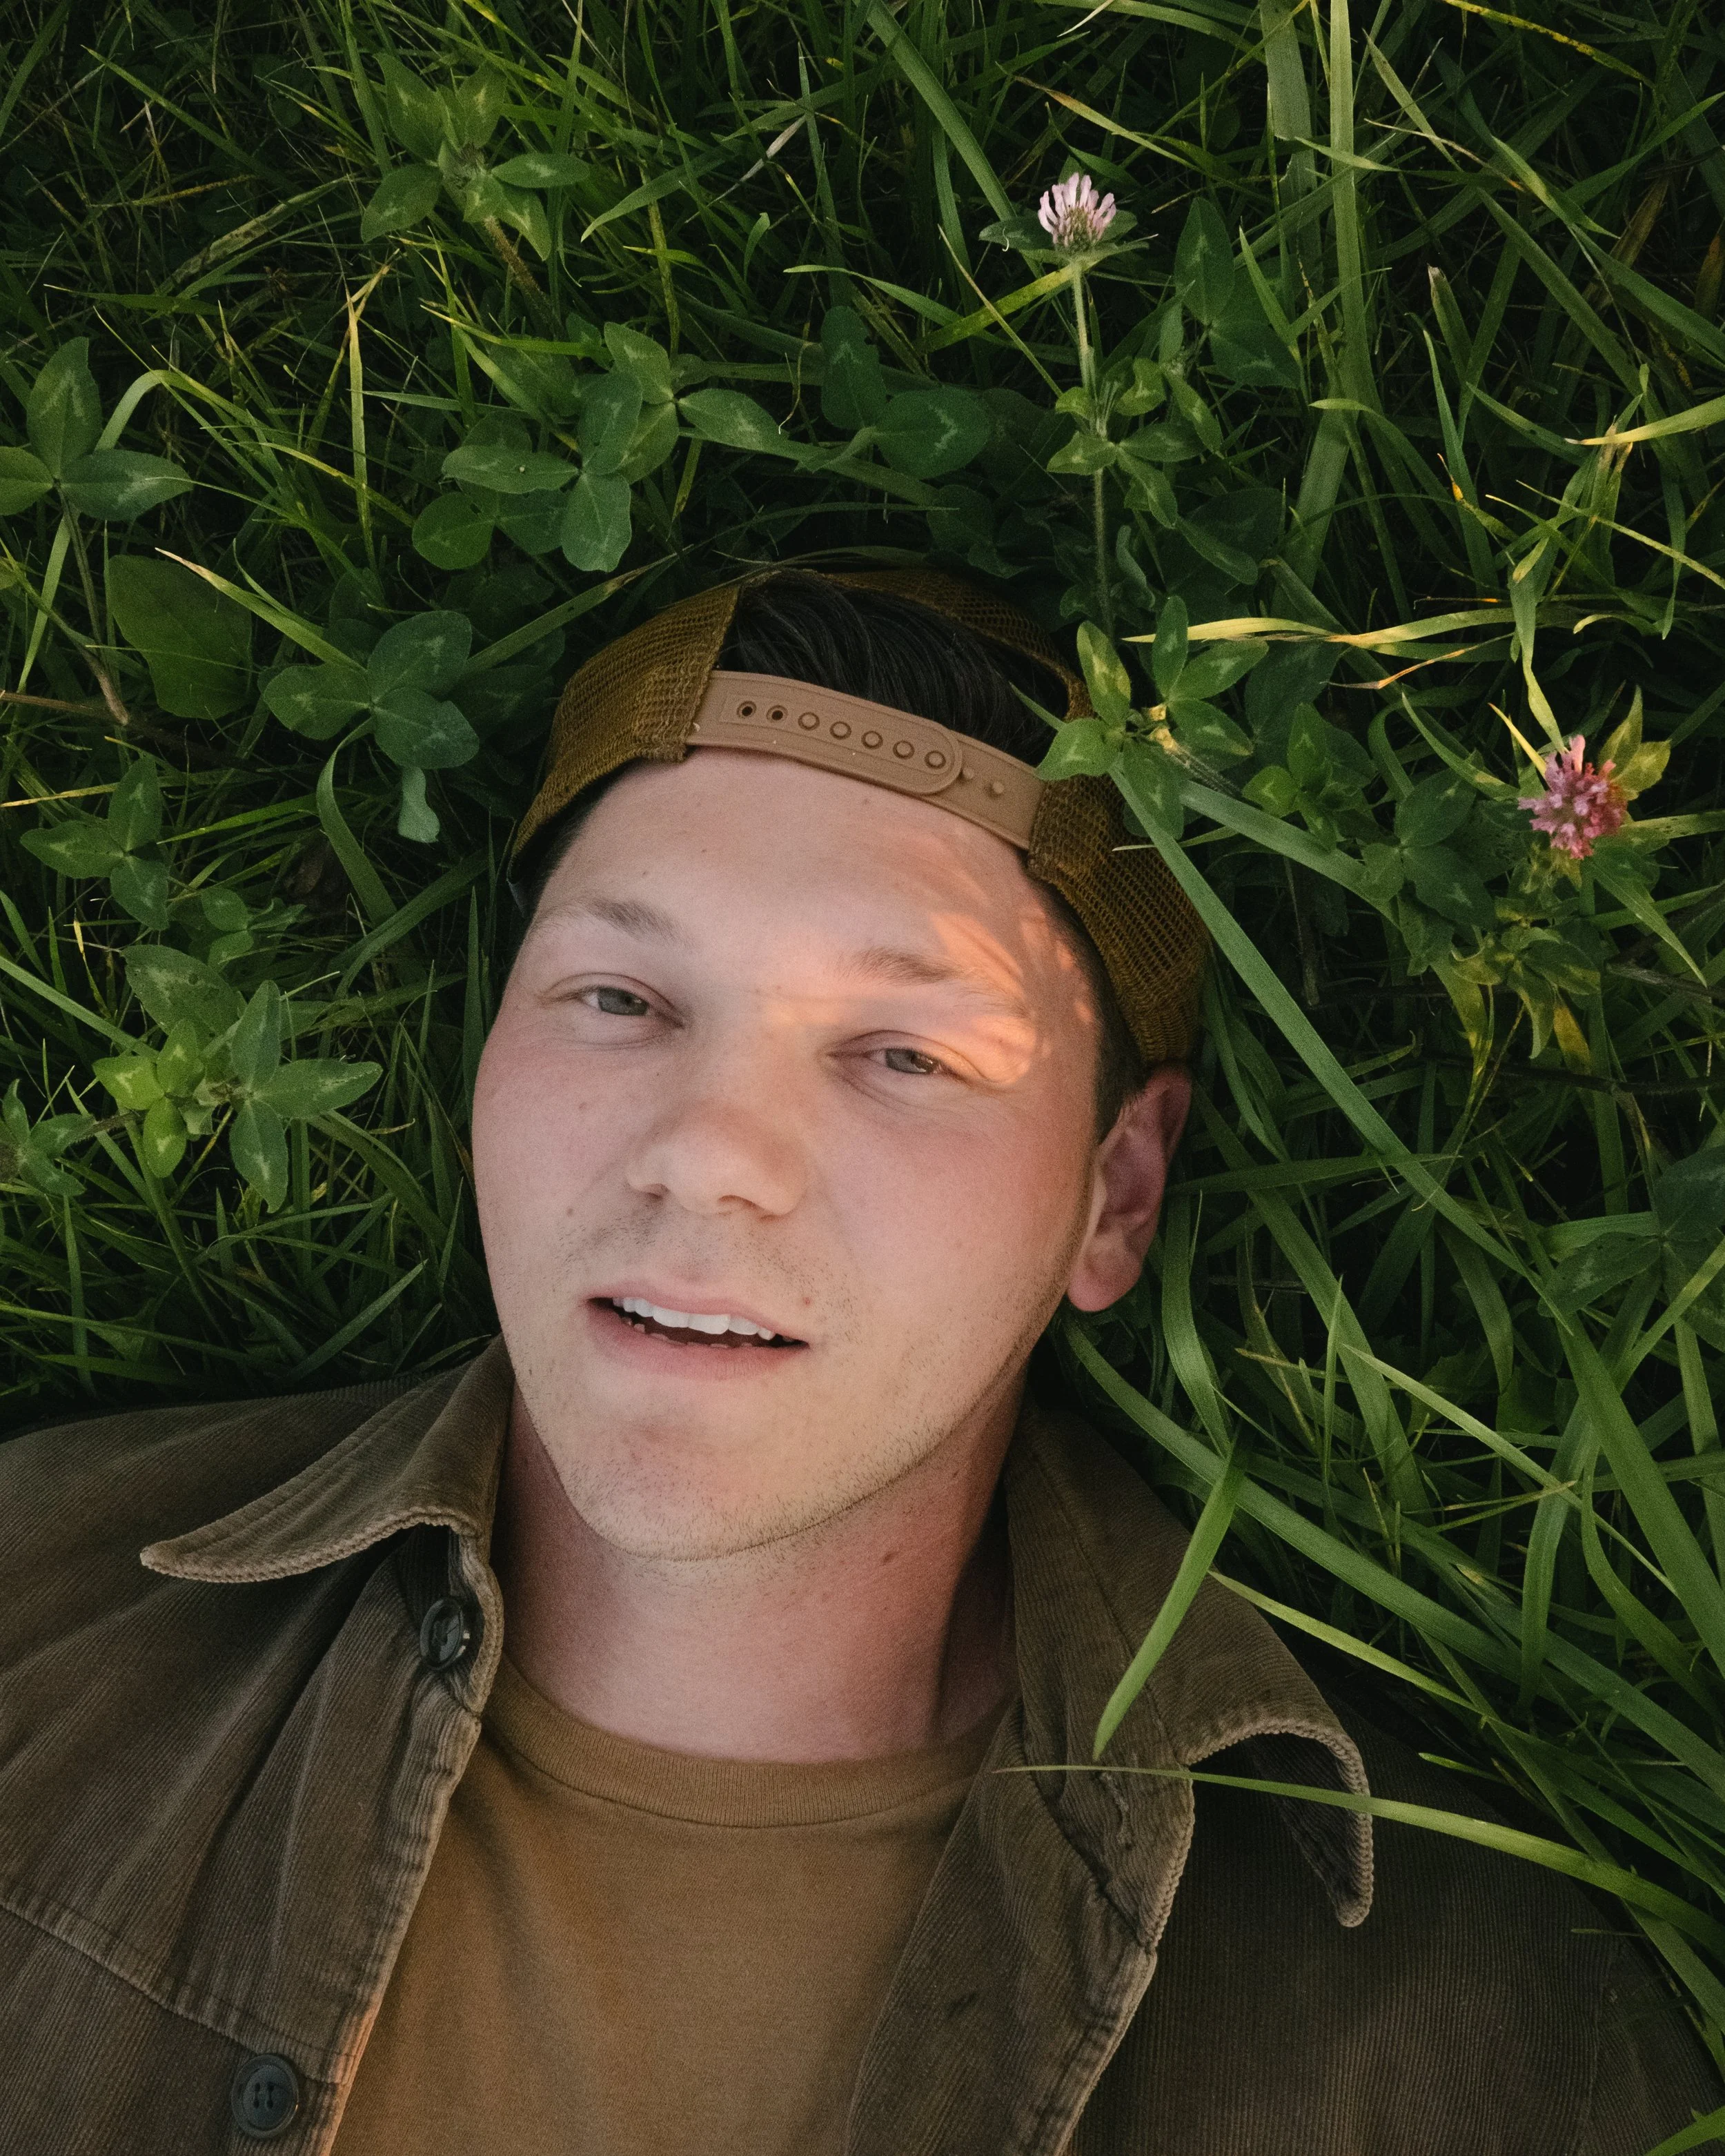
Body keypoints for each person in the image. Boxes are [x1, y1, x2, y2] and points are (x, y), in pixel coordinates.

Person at [0, 569, 1716, 2156]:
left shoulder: (1494, 2028)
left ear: (1112, 1195)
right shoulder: (29, 1619)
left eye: (903, 1052)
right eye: (618, 998)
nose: (708, 1152)